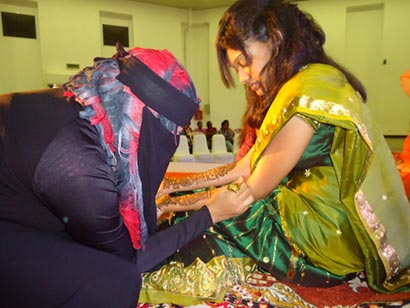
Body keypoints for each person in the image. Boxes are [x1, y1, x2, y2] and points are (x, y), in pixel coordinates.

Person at [140, 0, 410, 305]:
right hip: (314, 214)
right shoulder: (307, 81)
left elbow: (248, 190)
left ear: (276, 39)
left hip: (320, 239)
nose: (243, 78)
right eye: (236, 68)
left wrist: (174, 205)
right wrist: (172, 189)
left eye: (245, 62)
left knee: (199, 225)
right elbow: (245, 166)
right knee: (194, 215)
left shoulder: (307, 94)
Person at [0, 43, 255, 307]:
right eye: (172, 130)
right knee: (116, 278)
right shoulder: (80, 165)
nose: (174, 140)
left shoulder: (85, 114)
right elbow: (130, 259)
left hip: (18, 208)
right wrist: (212, 213)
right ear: (140, 118)